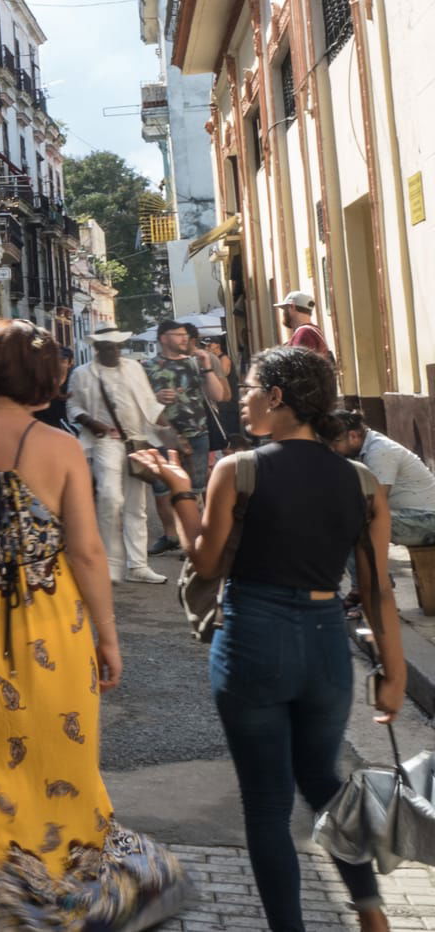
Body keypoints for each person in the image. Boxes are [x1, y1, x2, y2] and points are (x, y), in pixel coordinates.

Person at [0, 320, 187, 924]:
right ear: (44, 378)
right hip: (51, 629)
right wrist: (108, 639)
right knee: (59, 761)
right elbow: (86, 553)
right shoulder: (59, 447)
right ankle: (60, 885)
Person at [138, 347, 405, 932]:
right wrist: (394, 674)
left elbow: (206, 562)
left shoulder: (241, 470)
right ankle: (370, 912)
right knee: (324, 783)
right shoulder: (363, 482)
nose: (245, 399)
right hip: (326, 643)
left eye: (253, 388)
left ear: (278, 396)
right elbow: (378, 587)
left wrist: (181, 488)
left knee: (266, 803)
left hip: (254, 637)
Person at [66, 329, 169, 584]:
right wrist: (90, 421)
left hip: (137, 439)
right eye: (108, 347)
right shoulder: (82, 374)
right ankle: (110, 563)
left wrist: (168, 432)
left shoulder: (134, 368)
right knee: (110, 497)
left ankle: (138, 566)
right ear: (97, 348)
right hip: (104, 441)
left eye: (117, 346)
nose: (114, 351)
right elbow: (73, 405)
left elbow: (148, 402)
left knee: (137, 504)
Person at [147, 319, 229, 499]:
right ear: (163, 338)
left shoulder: (196, 363)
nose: (185, 339)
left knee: (195, 490)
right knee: (164, 492)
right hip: (163, 438)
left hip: (197, 434)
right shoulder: (148, 367)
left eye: (185, 335)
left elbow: (219, 395)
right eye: (179, 335)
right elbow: (139, 403)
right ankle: (172, 528)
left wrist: (207, 365)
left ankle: (195, 526)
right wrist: (155, 398)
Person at [331, 414, 435, 549]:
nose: (332, 449)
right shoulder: (366, 447)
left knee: (356, 523)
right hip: (414, 517)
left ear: (353, 436)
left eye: (335, 442)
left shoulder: (380, 451)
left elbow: (375, 503)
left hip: (427, 520)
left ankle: (369, 570)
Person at [277, 290, 331, 359]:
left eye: (285, 309)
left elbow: (299, 366)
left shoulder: (304, 333)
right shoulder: (312, 330)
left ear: (292, 306)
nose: (284, 313)